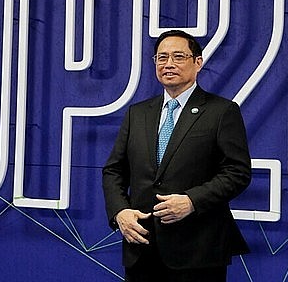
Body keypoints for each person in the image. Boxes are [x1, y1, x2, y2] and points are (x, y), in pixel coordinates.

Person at [102, 29, 251, 282]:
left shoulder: (222, 111)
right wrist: (120, 213)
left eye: (178, 56)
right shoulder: (137, 114)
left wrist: (192, 201)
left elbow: (237, 172)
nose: (168, 64)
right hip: (142, 249)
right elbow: (114, 171)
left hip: (198, 252)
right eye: (161, 58)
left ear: (198, 62)